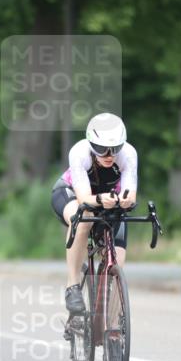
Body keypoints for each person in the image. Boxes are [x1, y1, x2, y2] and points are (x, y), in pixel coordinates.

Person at [50, 112, 137, 314]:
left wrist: (125, 201)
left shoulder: (129, 154)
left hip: (108, 199)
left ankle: (114, 331)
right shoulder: (79, 152)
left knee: (119, 262)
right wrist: (100, 200)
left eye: (114, 149)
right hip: (71, 193)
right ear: (91, 144)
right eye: (101, 149)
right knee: (84, 218)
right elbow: (84, 198)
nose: (109, 155)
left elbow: (130, 194)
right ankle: (72, 286)